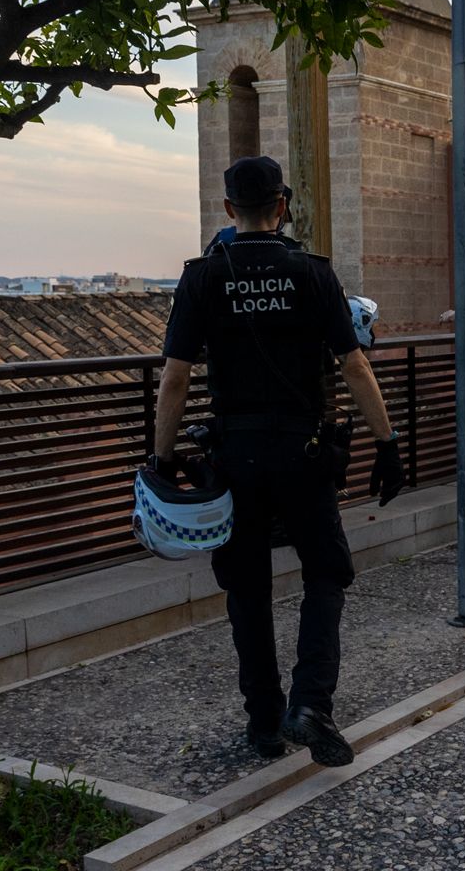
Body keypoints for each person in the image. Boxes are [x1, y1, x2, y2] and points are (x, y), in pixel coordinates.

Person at [153, 156, 407, 767]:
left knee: (247, 589)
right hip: (305, 450)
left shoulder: (202, 277)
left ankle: (265, 723)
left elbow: (175, 380)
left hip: (234, 455)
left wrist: (160, 460)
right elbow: (353, 365)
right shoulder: (313, 273)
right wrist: (388, 444)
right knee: (326, 573)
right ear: (284, 205)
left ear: (228, 209)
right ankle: (311, 703)